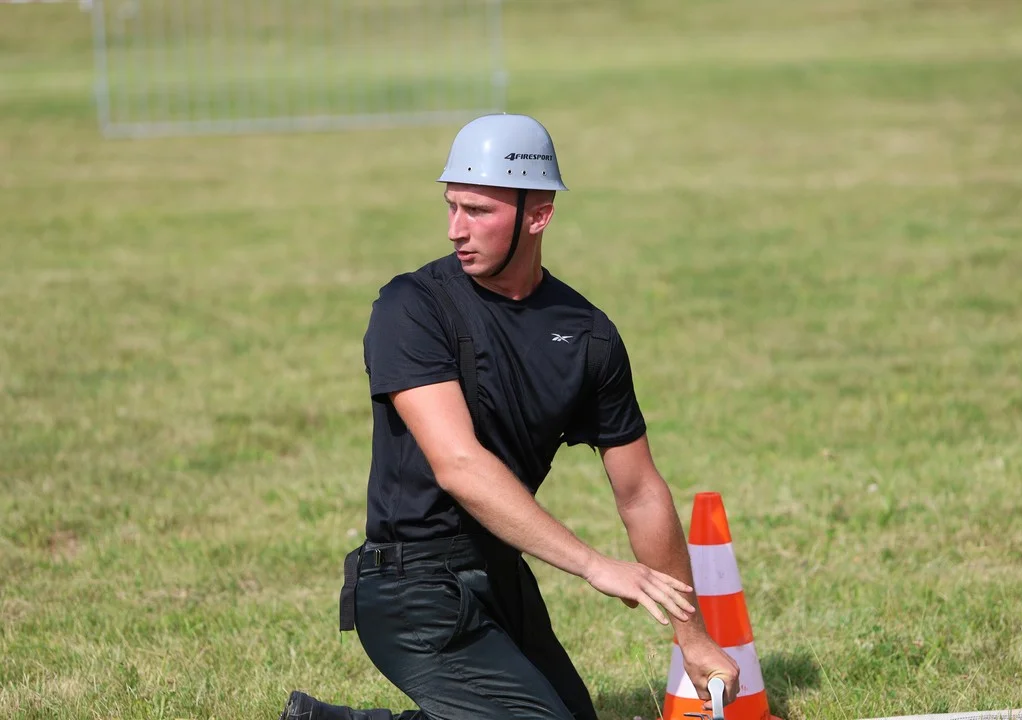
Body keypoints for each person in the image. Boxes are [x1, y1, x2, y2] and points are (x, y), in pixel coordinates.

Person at [280, 114, 739, 720]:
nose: (454, 229)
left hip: (499, 578)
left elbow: (641, 491)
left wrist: (693, 635)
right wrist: (595, 566)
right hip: (409, 585)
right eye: (451, 207)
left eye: (478, 211)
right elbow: (459, 465)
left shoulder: (587, 335)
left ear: (538, 215)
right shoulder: (412, 307)